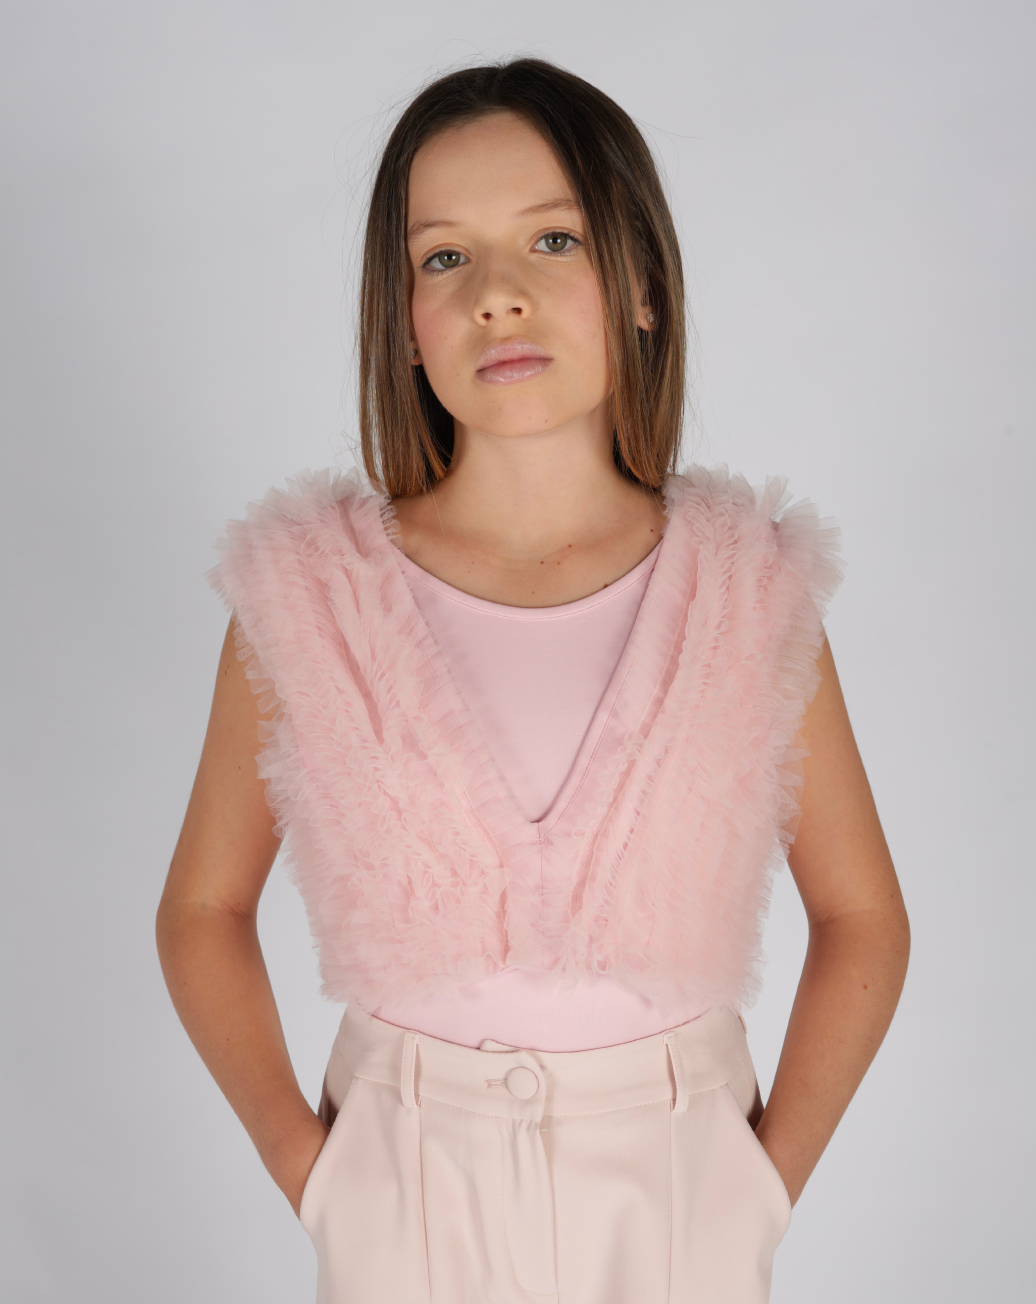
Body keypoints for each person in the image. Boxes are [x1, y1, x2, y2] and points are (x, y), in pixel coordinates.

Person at [156, 57, 910, 1304]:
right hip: (406, 1174)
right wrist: (312, 1167)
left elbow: (863, 913)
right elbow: (201, 906)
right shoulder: (308, 593)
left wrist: (759, 1188)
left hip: (674, 1177)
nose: (496, 294)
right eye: (443, 257)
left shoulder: (745, 590)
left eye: (552, 239)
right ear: (403, 322)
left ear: (643, 286)